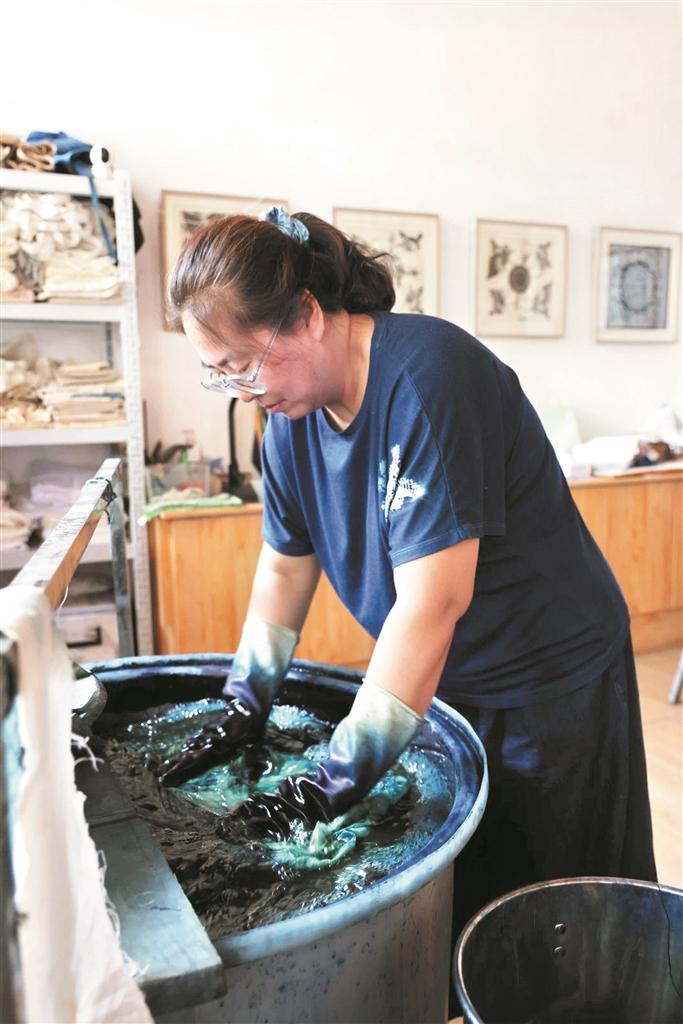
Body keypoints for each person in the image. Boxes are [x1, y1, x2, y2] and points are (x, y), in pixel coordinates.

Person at [158, 205, 657, 961]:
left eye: (243, 364)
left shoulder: (430, 378)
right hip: (443, 680)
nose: (239, 390)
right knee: (471, 902)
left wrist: (331, 779)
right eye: (218, 372)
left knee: (559, 916)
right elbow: (285, 564)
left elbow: (434, 601)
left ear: (308, 314)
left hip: (547, 678)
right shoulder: (289, 421)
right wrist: (243, 699)